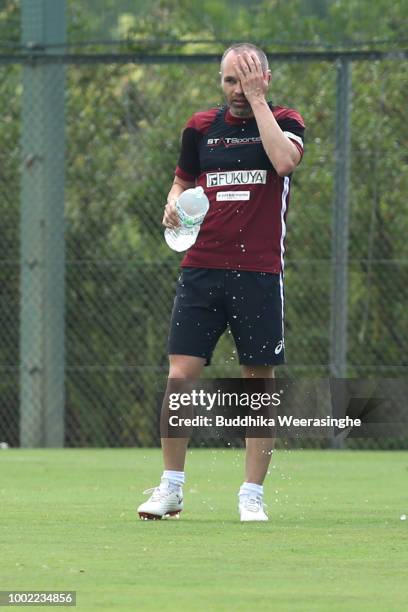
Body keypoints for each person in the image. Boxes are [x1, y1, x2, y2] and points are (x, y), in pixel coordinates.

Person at [137, 42, 305, 521]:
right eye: (230, 80)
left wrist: (257, 104)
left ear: (265, 79)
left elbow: (285, 163)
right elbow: (183, 181)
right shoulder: (199, 127)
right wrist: (173, 201)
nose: (237, 89)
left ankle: (251, 495)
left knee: (257, 385)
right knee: (179, 376)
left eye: (247, 79)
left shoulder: (286, 120)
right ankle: (171, 489)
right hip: (201, 267)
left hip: (258, 273)